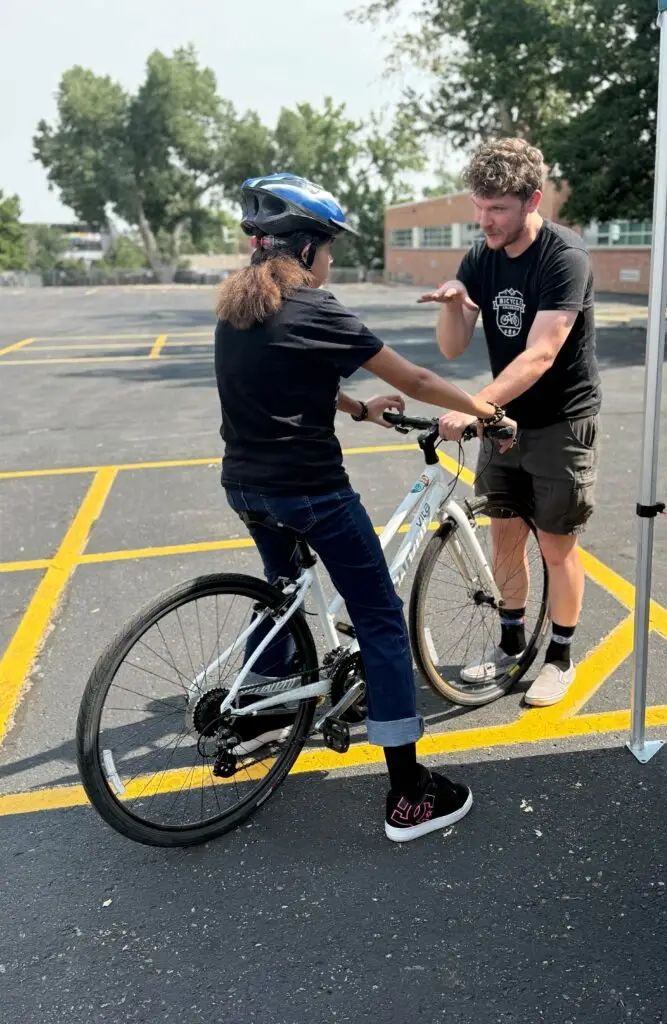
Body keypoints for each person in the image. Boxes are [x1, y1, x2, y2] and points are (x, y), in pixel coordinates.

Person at [213, 172, 507, 842]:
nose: (333, 261)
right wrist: (488, 410)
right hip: (311, 491)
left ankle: (258, 705)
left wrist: (355, 408)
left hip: (246, 487)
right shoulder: (320, 309)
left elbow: (285, 377)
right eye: (331, 248)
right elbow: (420, 379)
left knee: (283, 591)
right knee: (379, 620)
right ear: (309, 248)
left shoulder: (238, 307)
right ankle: (409, 796)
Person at [419, 138, 601, 708]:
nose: (485, 219)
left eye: (497, 208)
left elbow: (541, 354)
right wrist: (454, 303)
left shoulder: (562, 257)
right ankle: (511, 644)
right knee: (503, 536)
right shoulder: (481, 256)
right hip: (506, 423)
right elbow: (452, 349)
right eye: (479, 206)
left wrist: (475, 407)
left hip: (561, 423)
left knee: (556, 544)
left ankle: (561, 658)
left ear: (532, 200)